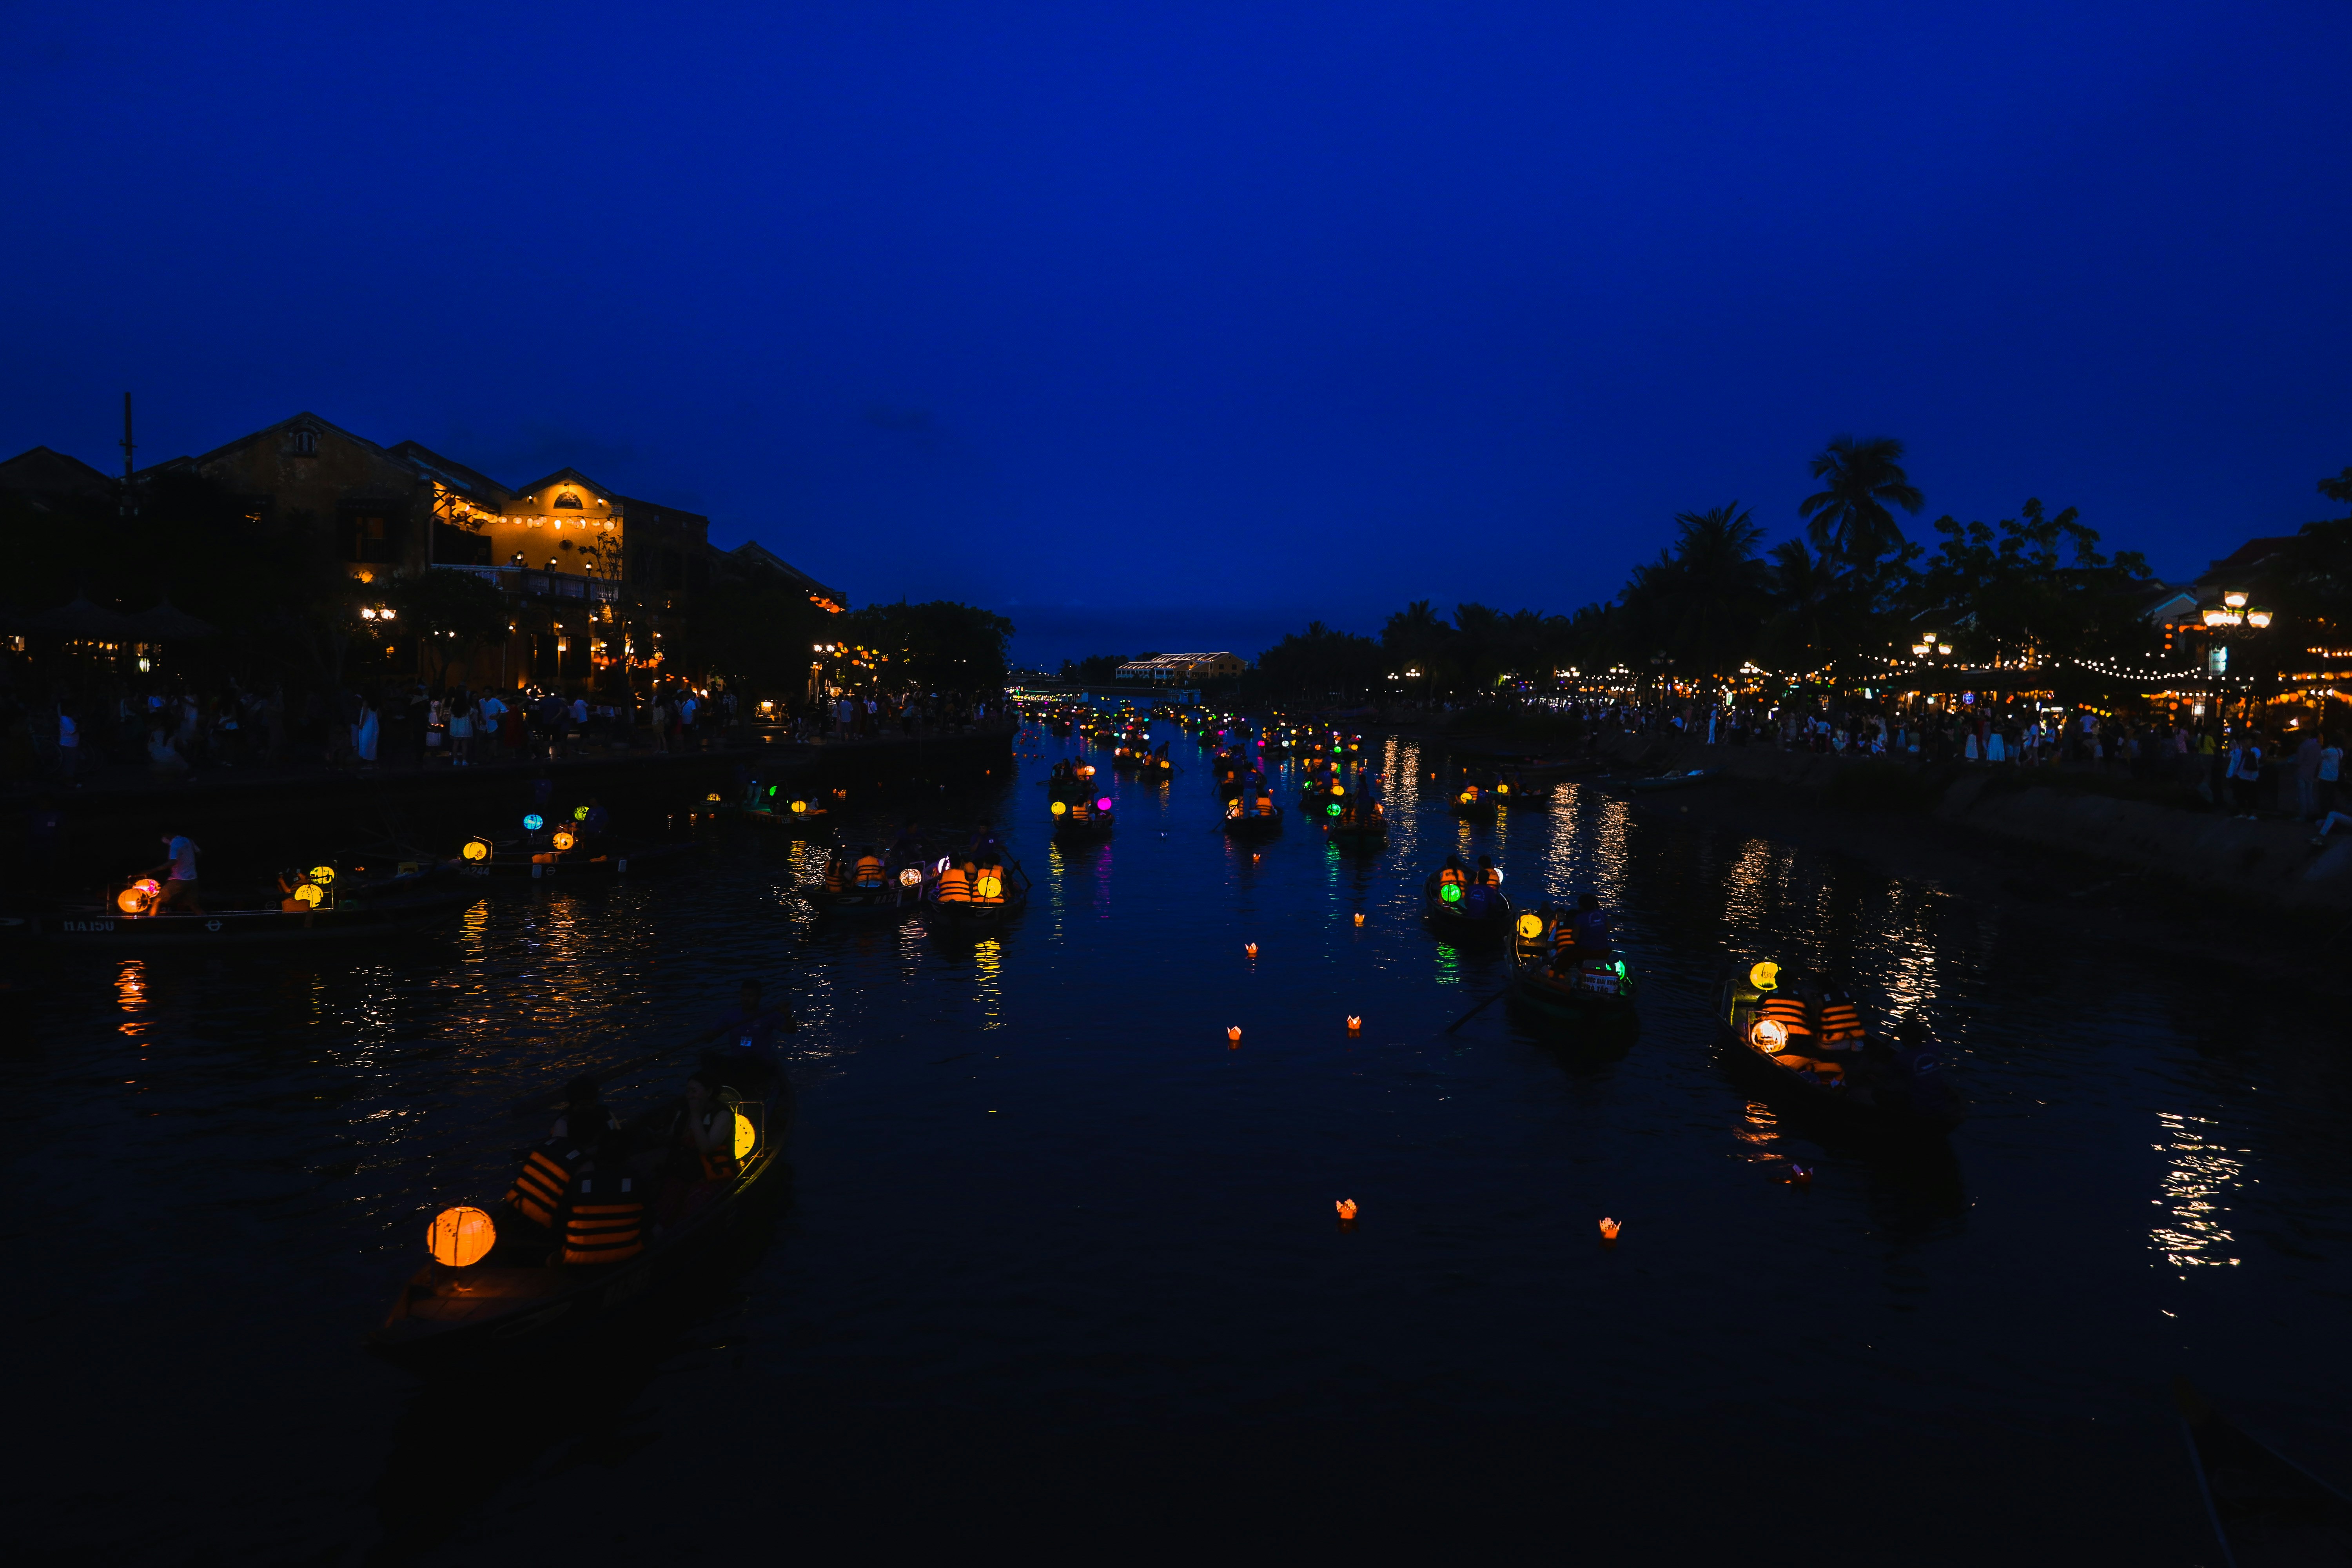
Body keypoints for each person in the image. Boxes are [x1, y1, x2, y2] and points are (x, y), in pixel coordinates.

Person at [138, 831, 204, 914]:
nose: (163, 838)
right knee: (194, 904)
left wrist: (152, 871)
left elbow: (173, 861)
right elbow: (199, 853)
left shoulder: (175, 843)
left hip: (179, 880)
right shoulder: (188, 840)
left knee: (157, 901)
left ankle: (152, 923)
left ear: (168, 833)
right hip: (193, 879)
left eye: (163, 835)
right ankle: (207, 922)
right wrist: (190, 863)